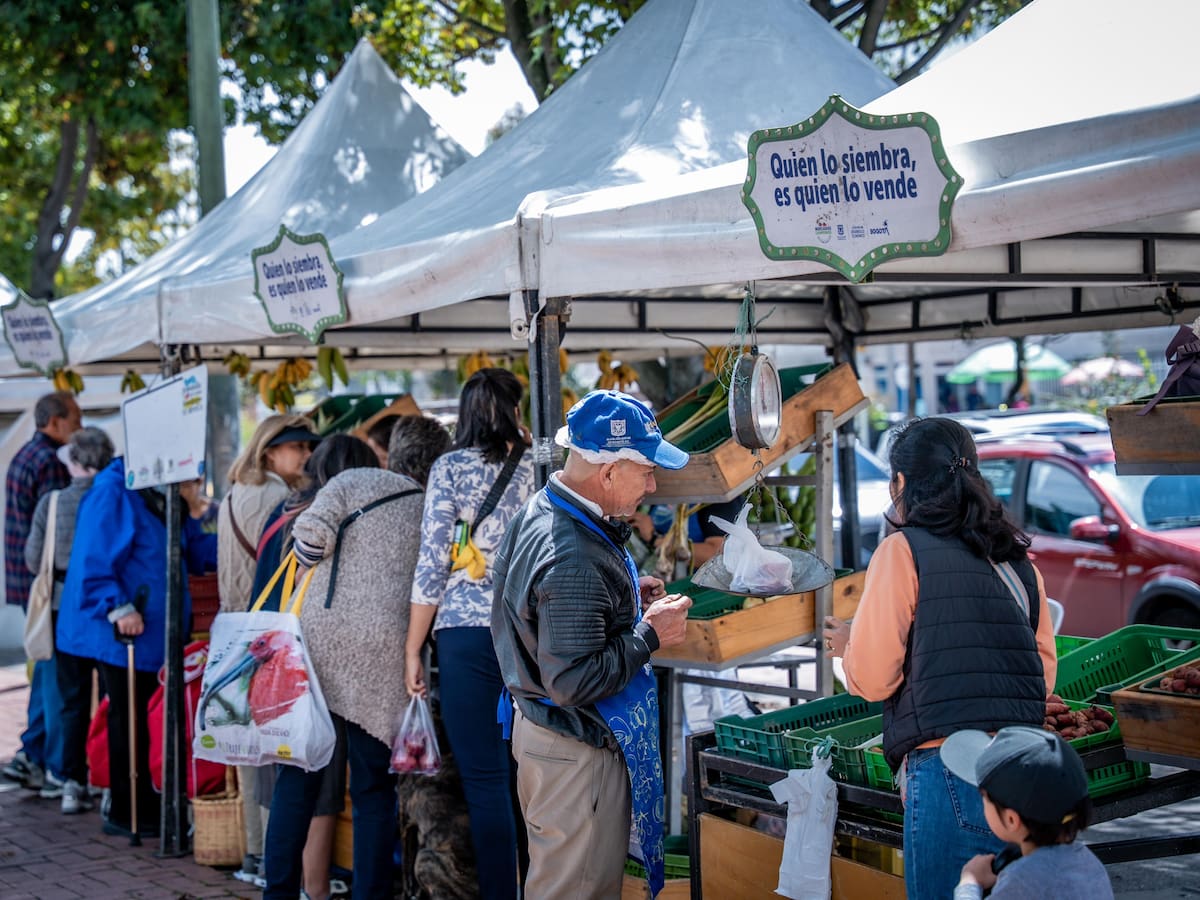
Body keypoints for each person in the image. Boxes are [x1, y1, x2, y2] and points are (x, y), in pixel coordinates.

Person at [822, 416, 1057, 900]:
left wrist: (848, 648)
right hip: (1024, 774)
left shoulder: (902, 551)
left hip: (950, 773)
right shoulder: (1017, 561)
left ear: (901, 482)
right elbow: (1042, 677)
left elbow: (874, 679)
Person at [491, 389, 694, 899]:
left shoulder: (544, 507)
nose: (652, 485)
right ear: (608, 473)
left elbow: (548, 616)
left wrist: (624, 600)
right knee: (576, 889)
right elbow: (574, 680)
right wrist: (649, 634)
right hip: (573, 752)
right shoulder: (573, 554)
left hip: (548, 738)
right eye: (646, 471)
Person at [265, 425, 444, 900]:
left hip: (320, 646)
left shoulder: (348, 482)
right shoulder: (428, 502)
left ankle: (278, 892)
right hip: (388, 650)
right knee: (373, 791)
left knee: (298, 783)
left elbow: (309, 542)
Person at [405, 368, 536, 900]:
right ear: (515, 411)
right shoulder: (539, 466)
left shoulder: (450, 467)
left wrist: (413, 648)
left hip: (465, 635)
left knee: (485, 780)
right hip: (528, 634)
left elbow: (432, 563)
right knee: (528, 773)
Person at [56, 455, 218, 838]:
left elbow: (193, 549)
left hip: (157, 631)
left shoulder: (162, 494)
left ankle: (149, 802)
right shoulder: (113, 491)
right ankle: (128, 809)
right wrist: (118, 607)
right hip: (125, 633)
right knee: (128, 719)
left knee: (147, 719)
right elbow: (92, 560)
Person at [252, 434, 378, 900]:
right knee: (343, 786)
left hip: (286, 661)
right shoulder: (346, 518)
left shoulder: (284, 510)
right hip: (331, 663)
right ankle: (320, 889)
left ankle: (280, 890)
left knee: (294, 783)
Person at [216, 414, 320, 885]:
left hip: (236, 627)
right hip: (265, 631)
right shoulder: (277, 498)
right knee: (276, 746)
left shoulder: (233, 493)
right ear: (270, 451)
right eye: (298, 447)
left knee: (249, 747)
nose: (307, 455)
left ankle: (255, 852)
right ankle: (271, 861)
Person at [24, 427, 114, 814]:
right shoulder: (115, 498)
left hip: (64, 609)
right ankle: (110, 778)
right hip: (108, 608)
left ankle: (70, 781)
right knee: (111, 696)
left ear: (74, 461)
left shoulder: (53, 502)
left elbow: (33, 559)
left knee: (71, 697)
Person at [2, 391, 81, 795]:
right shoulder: (50, 462)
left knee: (45, 668)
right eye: (75, 419)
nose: (79, 427)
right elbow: (56, 533)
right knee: (52, 675)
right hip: (47, 584)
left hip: (27, 581)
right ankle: (47, 760)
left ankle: (32, 753)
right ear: (54, 421)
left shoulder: (24, 454)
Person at [941, 726, 1113, 900]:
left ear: (1011, 820)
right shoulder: (1089, 863)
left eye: (984, 797)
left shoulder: (1021, 881)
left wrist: (970, 883)